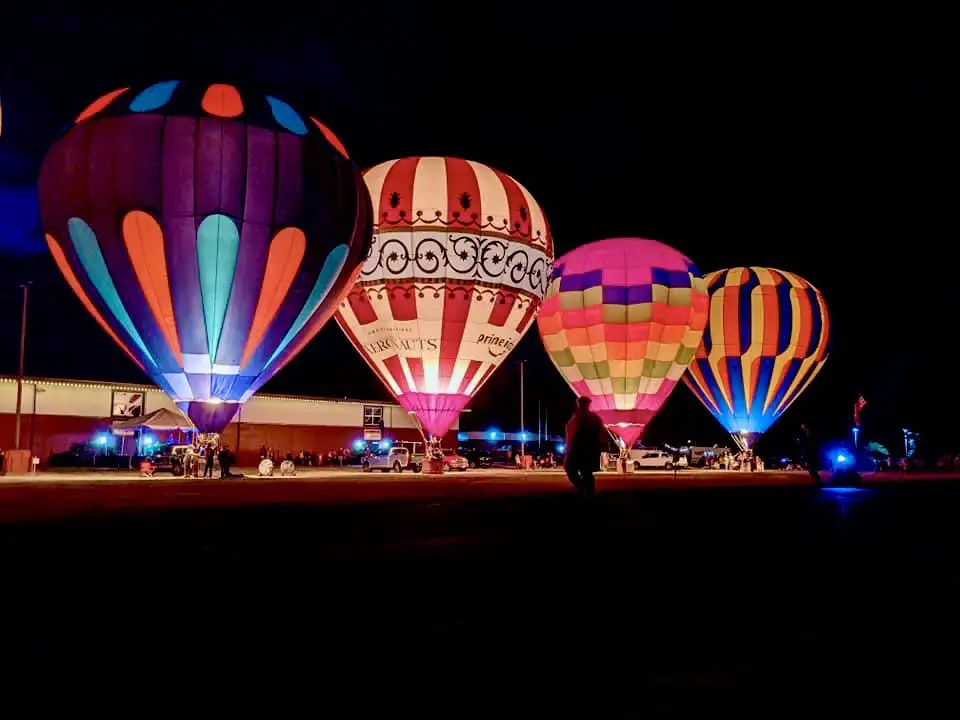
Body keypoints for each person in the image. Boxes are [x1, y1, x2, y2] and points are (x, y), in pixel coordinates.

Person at [564, 396, 607, 499]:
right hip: (586, 449)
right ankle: (585, 489)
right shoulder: (593, 418)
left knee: (576, 469)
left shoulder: (582, 417)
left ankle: (585, 490)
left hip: (580, 448)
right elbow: (601, 434)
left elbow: (571, 432)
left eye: (581, 403)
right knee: (583, 471)